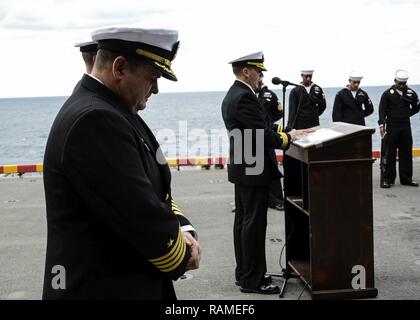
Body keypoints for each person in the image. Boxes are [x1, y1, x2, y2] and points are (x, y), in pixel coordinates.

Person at [42, 27, 201, 300]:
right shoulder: (94, 120)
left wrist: (182, 226)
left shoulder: (115, 109)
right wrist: (181, 251)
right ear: (120, 68)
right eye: (152, 77)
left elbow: (154, 183)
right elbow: (137, 209)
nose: (157, 89)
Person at [221, 52, 308, 294]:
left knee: (244, 223)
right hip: (253, 168)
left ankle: (245, 273)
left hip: (244, 167)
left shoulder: (236, 94)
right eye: (258, 71)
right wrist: (288, 139)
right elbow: (262, 134)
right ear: (246, 71)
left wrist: (288, 131)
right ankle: (254, 280)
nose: (261, 76)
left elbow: (261, 124)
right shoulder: (244, 96)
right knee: (253, 225)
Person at [378, 70, 420, 188]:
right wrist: (382, 125)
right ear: (395, 81)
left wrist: (407, 114)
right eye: (399, 83)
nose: (401, 85)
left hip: (405, 126)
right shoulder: (387, 94)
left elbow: (417, 107)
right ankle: (388, 179)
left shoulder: (411, 93)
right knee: (390, 153)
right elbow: (382, 110)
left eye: (404, 83)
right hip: (391, 126)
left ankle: (406, 179)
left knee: (406, 152)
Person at [256, 81, 284, 211]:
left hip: (267, 134)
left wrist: (269, 121)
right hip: (252, 137)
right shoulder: (248, 95)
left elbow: (279, 112)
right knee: (251, 170)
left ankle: (277, 200)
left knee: (272, 166)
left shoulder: (270, 95)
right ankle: (250, 200)